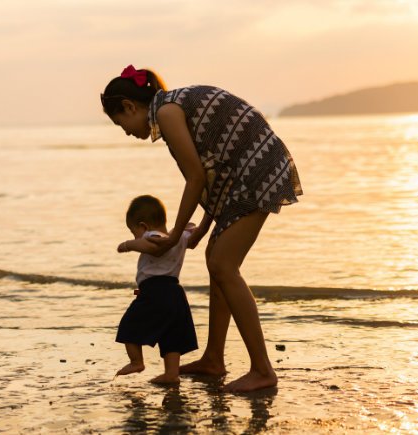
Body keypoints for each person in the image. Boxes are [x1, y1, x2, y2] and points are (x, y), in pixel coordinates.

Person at [101, 65, 303, 392]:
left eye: (119, 123)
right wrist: (201, 228)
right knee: (216, 260)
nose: (124, 131)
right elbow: (209, 172)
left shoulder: (166, 112)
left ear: (129, 106)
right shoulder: (170, 106)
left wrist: (172, 236)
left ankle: (262, 370)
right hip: (242, 175)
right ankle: (214, 359)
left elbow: (195, 177)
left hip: (257, 170)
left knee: (224, 264)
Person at [115, 194, 205, 384]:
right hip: (176, 293)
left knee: (128, 325)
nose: (134, 238)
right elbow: (194, 236)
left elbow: (149, 245)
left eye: (134, 233)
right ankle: (171, 374)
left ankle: (136, 362)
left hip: (155, 291)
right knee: (171, 336)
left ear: (143, 227)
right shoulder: (178, 237)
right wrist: (205, 220)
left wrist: (128, 245)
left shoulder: (152, 236)